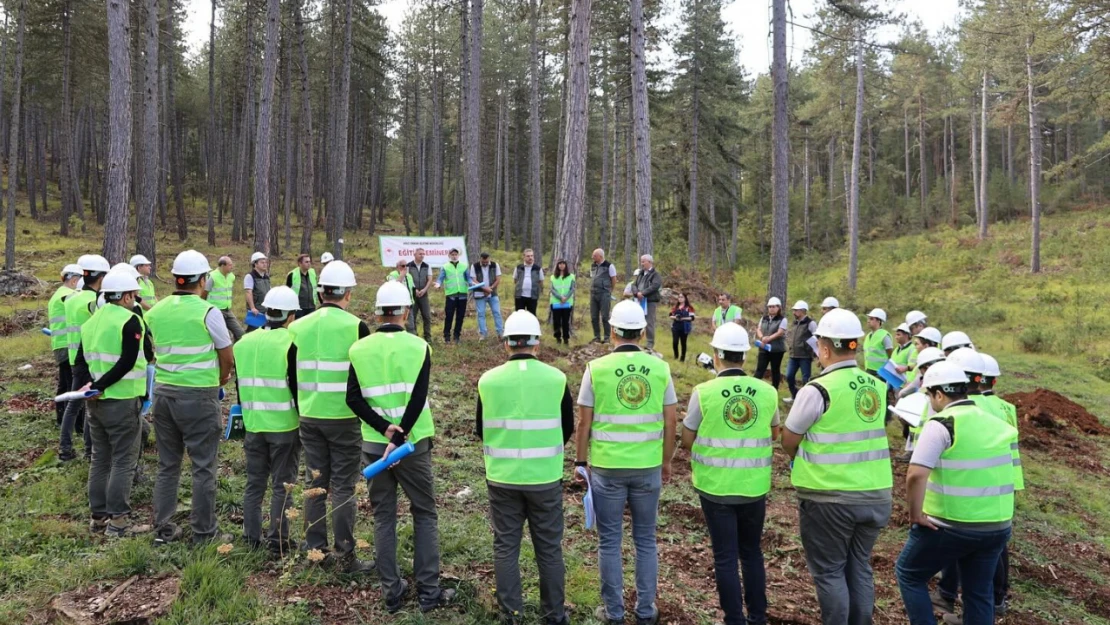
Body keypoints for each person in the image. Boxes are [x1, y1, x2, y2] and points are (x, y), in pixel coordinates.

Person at [347, 281, 454, 611]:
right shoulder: (420, 347)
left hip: (374, 448)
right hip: (411, 448)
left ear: (378, 312)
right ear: (407, 311)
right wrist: (400, 435)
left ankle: (391, 591)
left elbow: (353, 399)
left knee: (383, 517)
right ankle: (428, 592)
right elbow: (418, 397)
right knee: (424, 513)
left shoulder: (359, 349)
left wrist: (383, 430)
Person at [781, 308, 892, 625]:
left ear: (825, 348)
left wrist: (798, 458)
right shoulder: (876, 386)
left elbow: (790, 438)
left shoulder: (818, 389)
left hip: (829, 498)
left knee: (829, 571)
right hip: (876, 494)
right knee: (858, 565)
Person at [575, 300, 678, 625]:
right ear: (643, 331)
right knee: (645, 539)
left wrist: (581, 461)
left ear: (612, 330)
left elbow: (583, 423)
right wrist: (666, 461)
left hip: (607, 468)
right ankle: (646, 611)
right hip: (648, 467)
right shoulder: (660, 368)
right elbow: (671, 421)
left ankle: (614, 612)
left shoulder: (596, 368)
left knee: (609, 540)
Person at [894, 361, 1016, 625]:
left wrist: (915, 515)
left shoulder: (942, 423)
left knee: (909, 573)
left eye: (929, 395)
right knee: (979, 590)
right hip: (997, 526)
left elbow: (916, 474)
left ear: (939, 394)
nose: (929, 401)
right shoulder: (993, 421)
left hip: (953, 526)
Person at [477, 310, 574, 625]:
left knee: (506, 545)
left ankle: (512, 615)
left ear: (506, 343)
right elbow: (567, 427)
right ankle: (554, 615)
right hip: (545, 477)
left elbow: (481, 428)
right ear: (537, 343)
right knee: (548, 549)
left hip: (502, 477)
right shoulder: (556, 379)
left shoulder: (488, 381)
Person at [680, 323, 778, 625]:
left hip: (716, 488)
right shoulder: (767, 392)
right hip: (754, 487)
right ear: (745, 358)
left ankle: (734, 619)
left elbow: (687, 439)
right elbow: (774, 432)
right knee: (751, 553)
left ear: (716, 355)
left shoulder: (704, 392)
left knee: (725, 556)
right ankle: (758, 617)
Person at [146, 250, 235, 546]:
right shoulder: (207, 311)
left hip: (163, 395)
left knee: (168, 464)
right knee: (203, 465)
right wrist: (223, 376)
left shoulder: (155, 311)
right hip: (197, 397)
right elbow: (226, 352)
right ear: (203, 279)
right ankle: (204, 532)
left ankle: (163, 528)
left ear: (175, 278)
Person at [290, 260, 373, 573]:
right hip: (343, 418)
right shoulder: (356, 326)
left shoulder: (297, 326)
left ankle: (315, 550)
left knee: (315, 483)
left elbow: (291, 374)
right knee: (343, 486)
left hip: (309, 415)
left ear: (320, 291)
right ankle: (345, 555)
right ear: (348, 293)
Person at [73, 269, 152, 537]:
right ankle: (119, 522)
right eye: (135, 295)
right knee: (122, 461)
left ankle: (98, 518)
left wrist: (90, 387)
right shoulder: (131, 321)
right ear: (128, 295)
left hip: (95, 403)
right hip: (122, 400)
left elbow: (81, 361)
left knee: (100, 459)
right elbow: (128, 361)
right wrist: (99, 386)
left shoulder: (92, 322)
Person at [233, 286, 302, 555]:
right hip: (285, 425)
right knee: (282, 485)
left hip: (253, 424)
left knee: (254, 484)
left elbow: (240, 386)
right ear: (290, 315)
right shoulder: (291, 343)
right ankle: (278, 541)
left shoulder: (244, 343)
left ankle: (251, 538)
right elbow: (296, 388)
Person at [59, 254, 112, 461]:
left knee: (76, 404)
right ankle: (82, 450)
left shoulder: (72, 297)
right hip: (90, 359)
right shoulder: (94, 301)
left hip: (75, 357)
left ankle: (70, 448)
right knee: (86, 407)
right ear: (100, 277)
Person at [50, 263, 83, 426]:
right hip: (68, 345)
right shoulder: (68, 295)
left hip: (60, 345)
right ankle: (75, 421)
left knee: (64, 383)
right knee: (71, 384)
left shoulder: (59, 293)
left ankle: (61, 418)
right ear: (74, 280)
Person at [434, 248, 470, 344]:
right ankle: (447, 336)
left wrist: (472, 283)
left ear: (458, 255)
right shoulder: (445, 267)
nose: (454, 256)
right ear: (449, 256)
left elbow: (468, 278)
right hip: (451, 295)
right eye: (452, 254)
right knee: (449, 316)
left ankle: (457, 336)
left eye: (456, 254)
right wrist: (438, 284)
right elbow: (440, 278)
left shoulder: (464, 266)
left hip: (462, 295)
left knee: (460, 316)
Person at [785, 301, 818, 404]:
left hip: (805, 356)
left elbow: (816, 337)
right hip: (793, 355)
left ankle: (806, 401)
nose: (794, 312)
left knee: (806, 379)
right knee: (789, 376)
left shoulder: (811, 323)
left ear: (803, 311)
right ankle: (795, 396)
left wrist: (815, 352)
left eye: (796, 310)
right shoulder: (794, 323)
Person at [206, 256, 246, 341]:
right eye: (230, 265)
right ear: (222, 266)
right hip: (216, 311)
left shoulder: (231, 276)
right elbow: (204, 292)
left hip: (228, 310)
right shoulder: (212, 276)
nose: (232, 267)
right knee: (224, 337)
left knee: (240, 333)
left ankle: (236, 351)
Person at [754, 297, 788, 389]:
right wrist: (762, 337)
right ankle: (754, 388)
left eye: (773, 307)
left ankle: (775, 389)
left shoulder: (782, 319)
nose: (771, 309)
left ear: (778, 308)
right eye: (770, 307)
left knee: (775, 370)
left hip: (776, 349)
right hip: (764, 347)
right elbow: (759, 329)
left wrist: (768, 338)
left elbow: (780, 332)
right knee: (760, 369)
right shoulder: (764, 318)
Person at [471, 252, 504, 340]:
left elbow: (498, 279)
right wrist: (484, 289)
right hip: (479, 293)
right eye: (483, 262)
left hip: (493, 293)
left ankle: (500, 333)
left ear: (489, 258)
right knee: (481, 314)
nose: (485, 263)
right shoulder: (474, 266)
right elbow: (474, 280)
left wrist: (491, 288)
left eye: (486, 261)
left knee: (497, 312)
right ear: (480, 259)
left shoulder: (495, 265)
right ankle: (483, 334)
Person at [632, 255, 663, 351]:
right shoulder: (641, 274)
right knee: (637, 320)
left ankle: (650, 343)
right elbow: (634, 285)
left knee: (649, 322)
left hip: (649, 301)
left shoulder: (655, 274)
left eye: (643, 261)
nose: (642, 264)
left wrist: (643, 293)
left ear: (649, 262)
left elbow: (655, 286)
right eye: (641, 261)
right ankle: (635, 340)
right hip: (639, 301)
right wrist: (637, 293)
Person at [588, 249, 618, 344]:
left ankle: (606, 338)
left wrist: (609, 290)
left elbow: (613, 279)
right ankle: (597, 337)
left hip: (604, 293)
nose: (593, 257)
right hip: (593, 294)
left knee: (605, 316)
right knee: (594, 317)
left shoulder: (609, 266)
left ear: (600, 256)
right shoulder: (593, 266)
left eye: (594, 255)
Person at [407, 248, 434, 340]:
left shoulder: (427, 266)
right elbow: (407, 279)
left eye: (423, 254)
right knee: (412, 317)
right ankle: (414, 337)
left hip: (424, 295)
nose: (422, 255)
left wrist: (424, 290)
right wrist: (415, 290)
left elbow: (430, 279)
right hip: (412, 295)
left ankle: (428, 337)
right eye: (420, 254)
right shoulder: (408, 266)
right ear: (414, 254)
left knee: (426, 316)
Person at [285, 254, 320, 319]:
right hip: (298, 308)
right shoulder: (292, 274)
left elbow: (316, 289)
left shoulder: (312, 273)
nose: (309, 264)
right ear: (300, 263)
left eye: (309, 261)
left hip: (311, 307)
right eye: (306, 262)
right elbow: (287, 292)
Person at [550, 260, 576, 345]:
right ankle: (558, 338)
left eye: (563, 264)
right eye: (560, 264)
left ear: (566, 265)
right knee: (556, 321)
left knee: (565, 321)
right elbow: (552, 289)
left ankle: (566, 339)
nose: (561, 266)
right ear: (557, 266)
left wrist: (566, 297)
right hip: (556, 302)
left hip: (567, 303)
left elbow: (572, 288)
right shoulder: (553, 277)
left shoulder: (571, 276)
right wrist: (560, 297)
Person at [244, 252, 272, 330]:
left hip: (266, 310)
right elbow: (248, 292)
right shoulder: (250, 276)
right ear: (255, 264)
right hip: (256, 311)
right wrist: (252, 308)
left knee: (265, 332)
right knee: (253, 332)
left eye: (265, 262)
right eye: (262, 262)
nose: (265, 264)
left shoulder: (266, 277)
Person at [863, 309, 893, 377]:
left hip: (880, 373)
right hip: (868, 370)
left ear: (879, 321)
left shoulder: (884, 335)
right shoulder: (868, 336)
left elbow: (890, 355)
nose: (868, 321)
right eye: (868, 319)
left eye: (871, 319)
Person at [513, 248, 544, 314]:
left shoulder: (538, 269)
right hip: (520, 296)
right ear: (524, 257)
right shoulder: (518, 268)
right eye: (528, 256)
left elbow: (541, 281)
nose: (530, 258)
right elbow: (515, 280)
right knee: (519, 315)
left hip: (533, 296)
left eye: (532, 256)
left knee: (532, 315)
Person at [668, 292, 695, 362]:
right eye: (679, 297)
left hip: (684, 327)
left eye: (682, 297)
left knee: (683, 342)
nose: (680, 298)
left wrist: (683, 318)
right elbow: (670, 315)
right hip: (676, 326)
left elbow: (692, 318)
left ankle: (682, 358)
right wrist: (675, 317)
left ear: (685, 298)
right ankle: (676, 356)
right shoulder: (675, 307)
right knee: (675, 342)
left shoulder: (689, 308)